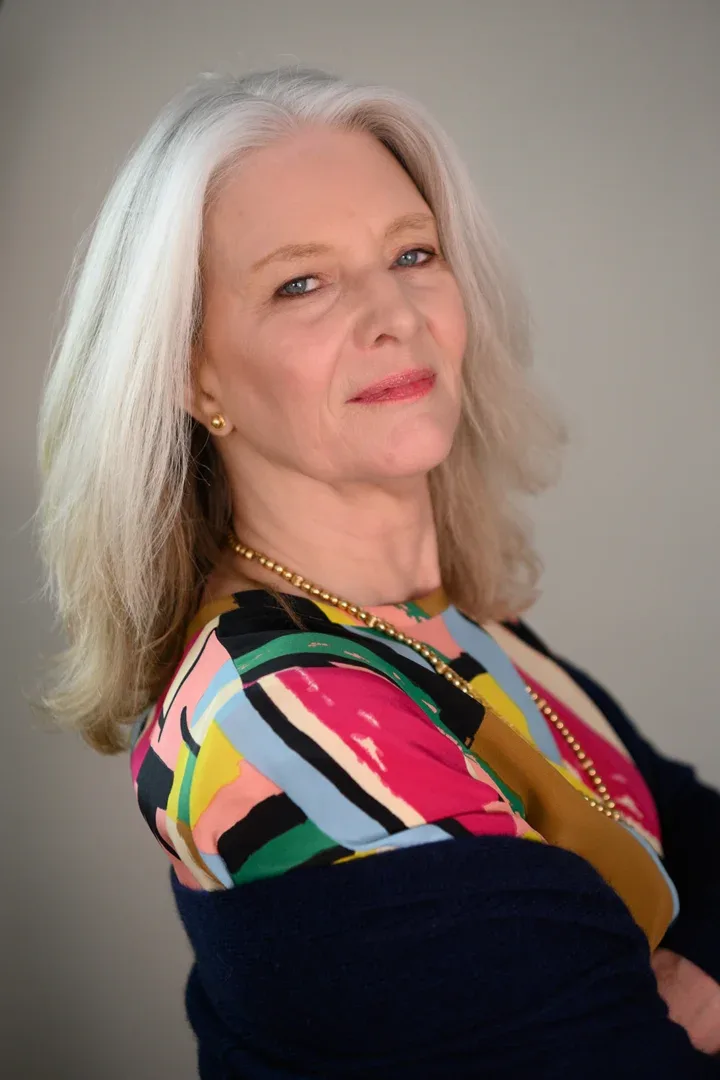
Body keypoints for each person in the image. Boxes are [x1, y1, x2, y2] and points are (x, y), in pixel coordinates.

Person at [34, 66, 720, 1078]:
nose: (394, 310)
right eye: (300, 283)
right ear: (191, 372)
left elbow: (697, 839)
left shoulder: (429, 623)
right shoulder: (278, 715)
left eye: (412, 253)